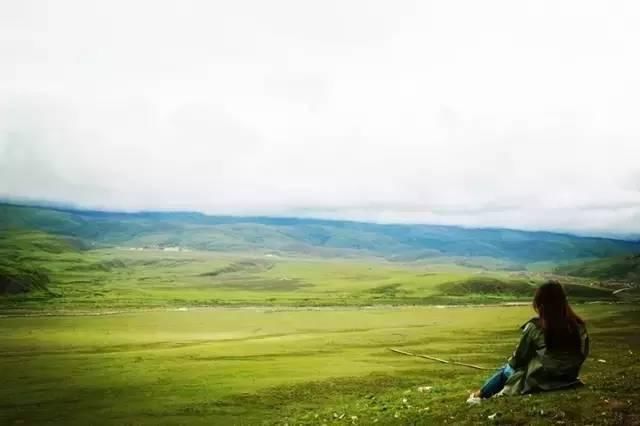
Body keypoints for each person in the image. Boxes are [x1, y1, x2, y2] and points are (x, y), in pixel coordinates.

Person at [467, 280, 589, 404]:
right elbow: (583, 353)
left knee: (507, 369)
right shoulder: (579, 325)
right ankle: (481, 394)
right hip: (569, 377)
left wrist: (512, 364)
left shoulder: (536, 326)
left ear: (541, 304)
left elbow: (519, 359)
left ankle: (480, 395)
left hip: (543, 380)